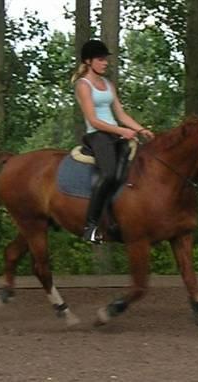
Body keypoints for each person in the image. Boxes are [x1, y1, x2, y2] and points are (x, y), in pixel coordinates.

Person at [72, 40, 154, 244]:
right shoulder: (83, 85)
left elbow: (120, 113)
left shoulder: (108, 84)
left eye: (105, 59)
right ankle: (90, 226)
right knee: (108, 174)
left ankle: (120, 219)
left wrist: (140, 129)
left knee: (133, 171)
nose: (105, 63)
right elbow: (93, 120)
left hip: (116, 134)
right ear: (88, 61)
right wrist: (121, 131)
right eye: (101, 59)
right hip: (97, 135)